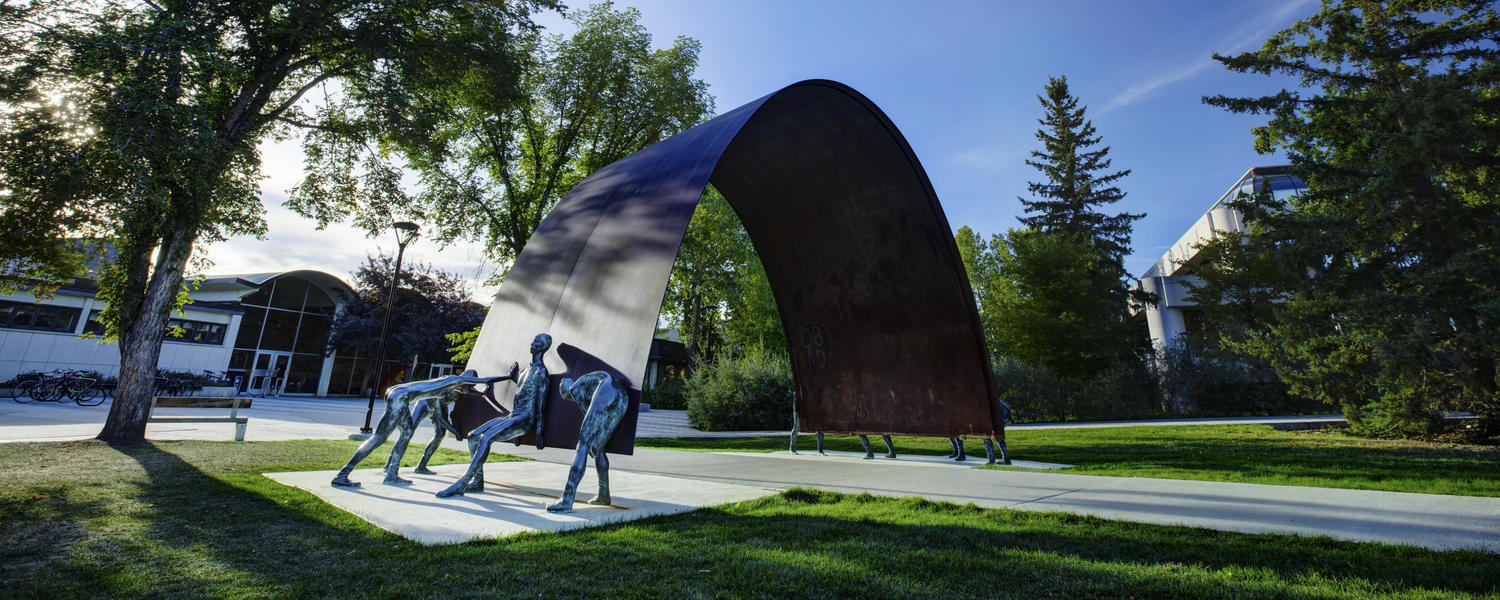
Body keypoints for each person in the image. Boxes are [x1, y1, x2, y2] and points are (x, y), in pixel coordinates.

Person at [330, 368, 508, 487]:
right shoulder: (453, 380)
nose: (470, 386)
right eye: (470, 383)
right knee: (379, 438)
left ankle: (392, 474)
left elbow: (475, 392)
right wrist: (507, 377)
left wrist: (484, 394)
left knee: (407, 433)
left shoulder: (450, 386)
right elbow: (486, 380)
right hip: (400, 397)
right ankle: (342, 475)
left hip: (400, 395)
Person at [436, 333, 552, 498]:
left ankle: (463, 482)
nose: (532, 343)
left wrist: (539, 432)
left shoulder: (541, 372)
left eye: (537, 341)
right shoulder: (526, 370)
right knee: (473, 436)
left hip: (526, 417)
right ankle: (477, 482)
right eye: (533, 340)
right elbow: (519, 397)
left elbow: (541, 403)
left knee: (486, 437)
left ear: (543, 347)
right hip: (514, 416)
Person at [546, 371, 630, 512]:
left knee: (582, 446)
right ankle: (603, 495)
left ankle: (566, 500)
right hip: (621, 396)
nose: (569, 399)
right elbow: (593, 417)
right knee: (597, 448)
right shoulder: (588, 383)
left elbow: (588, 417)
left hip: (607, 392)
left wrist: (586, 439)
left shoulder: (574, 389)